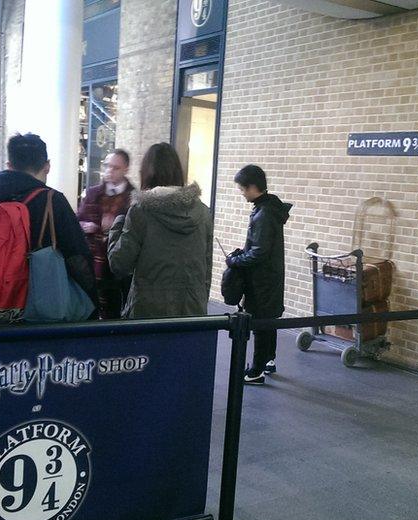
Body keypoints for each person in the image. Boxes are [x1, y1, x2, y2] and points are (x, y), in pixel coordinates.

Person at [0, 133, 96, 321]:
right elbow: (77, 256)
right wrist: (92, 297)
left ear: (9, 166)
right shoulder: (51, 200)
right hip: (42, 304)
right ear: (47, 166)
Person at [107, 143, 212, 319]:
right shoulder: (203, 212)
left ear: (146, 173)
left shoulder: (141, 211)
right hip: (192, 313)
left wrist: (117, 224)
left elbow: (119, 264)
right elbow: (206, 268)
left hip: (148, 314)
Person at [225, 165, 292, 385]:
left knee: (261, 325)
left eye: (243, 189)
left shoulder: (264, 213)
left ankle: (255, 371)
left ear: (253, 187)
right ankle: (268, 360)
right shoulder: (270, 208)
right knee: (269, 321)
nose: (241, 192)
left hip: (261, 281)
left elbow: (259, 252)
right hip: (269, 278)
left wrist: (235, 261)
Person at [77, 149, 135, 319]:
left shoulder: (133, 197)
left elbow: (135, 232)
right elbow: (77, 220)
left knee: (115, 313)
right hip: (92, 265)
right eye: (107, 166)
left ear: (126, 169)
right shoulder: (93, 193)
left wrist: (113, 227)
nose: (109, 170)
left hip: (117, 267)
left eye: (115, 167)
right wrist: (86, 225)